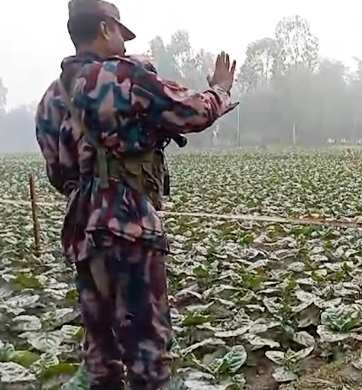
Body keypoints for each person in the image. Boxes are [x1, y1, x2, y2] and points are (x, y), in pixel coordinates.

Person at [34, 1, 237, 388]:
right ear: (107, 29)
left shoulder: (51, 98)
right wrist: (220, 90)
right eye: (121, 36)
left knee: (100, 355)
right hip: (129, 223)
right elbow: (191, 112)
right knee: (147, 355)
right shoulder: (124, 76)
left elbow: (58, 174)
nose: (125, 47)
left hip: (81, 228)